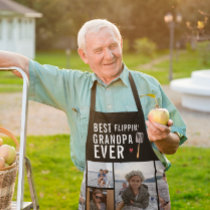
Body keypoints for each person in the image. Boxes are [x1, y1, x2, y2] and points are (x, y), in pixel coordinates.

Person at [0, 19, 187, 209]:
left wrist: (163, 137)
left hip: (148, 196)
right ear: (84, 55)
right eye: (98, 50)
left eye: (113, 46)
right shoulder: (72, 86)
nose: (109, 55)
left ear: (120, 44)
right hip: (97, 196)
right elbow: (22, 65)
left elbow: (172, 146)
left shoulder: (149, 86)